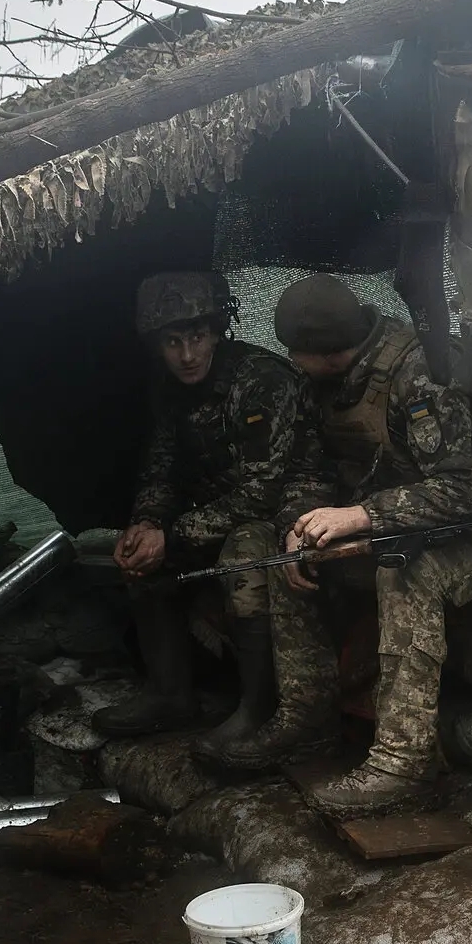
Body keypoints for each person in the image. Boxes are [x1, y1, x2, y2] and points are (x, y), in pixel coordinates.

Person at [203, 274, 472, 820]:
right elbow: (311, 467)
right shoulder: (324, 383)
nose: (294, 362)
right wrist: (298, 525)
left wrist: (361, 516)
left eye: (299, 354)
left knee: (406, 570)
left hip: (469, 539)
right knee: (275, 549)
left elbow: (467, 489)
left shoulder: (420, 372)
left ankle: (402, 762)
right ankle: (306, 722)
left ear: (329, 352)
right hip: (376, 529)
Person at [92, 271, 319, 754]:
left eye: (197, 338)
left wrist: (172, 536)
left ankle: (257, 708)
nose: (187, 355)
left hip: (292, 507)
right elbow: (162, 467)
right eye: (173, 342)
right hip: (222, 506)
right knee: (141, 553)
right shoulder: (170, 389)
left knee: (244, 554)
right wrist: (148, 522)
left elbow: (264, 490)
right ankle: (170, 693)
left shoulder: (263, 382)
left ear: (217, 331)